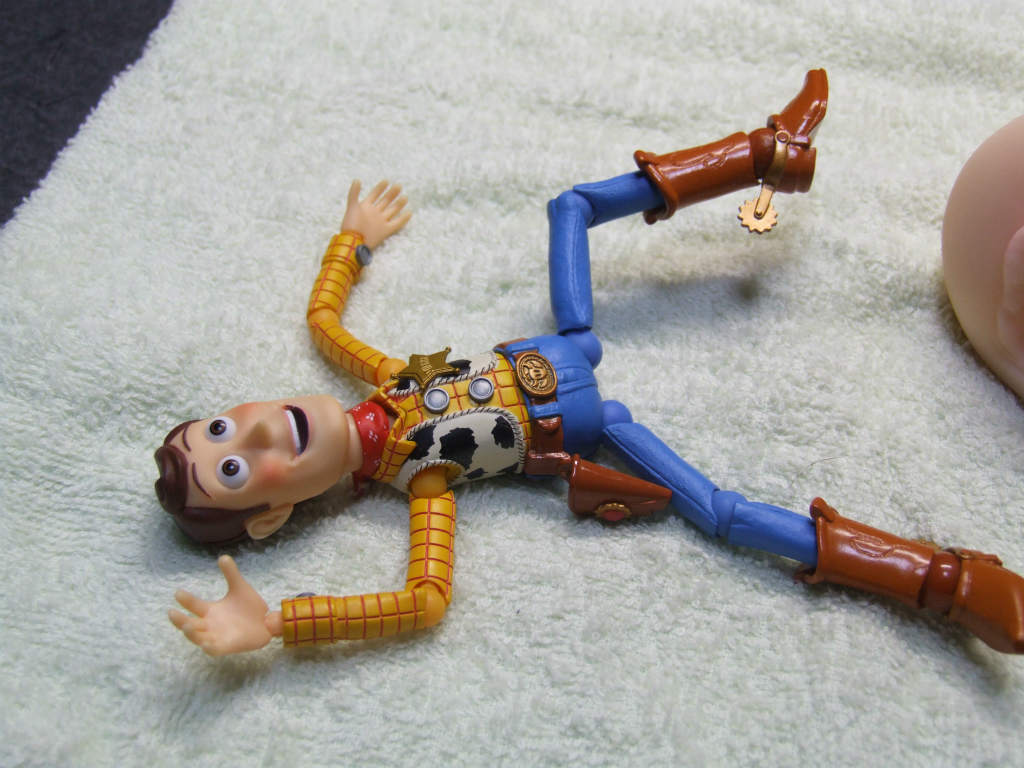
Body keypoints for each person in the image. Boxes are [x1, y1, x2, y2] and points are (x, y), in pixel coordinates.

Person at [157, 70, 1024, 657]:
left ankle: (767, 152)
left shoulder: (380, 376)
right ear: (273, 518)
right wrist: (280, 624)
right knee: (722, 514)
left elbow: (321, 317)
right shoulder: (424, 487)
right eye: (236, 470)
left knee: (571, 207)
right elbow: (422, 602)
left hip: (571, 338)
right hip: (597, 429)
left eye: (224, 426)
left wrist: (353, 241)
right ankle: (943, 582)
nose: (258, 433)